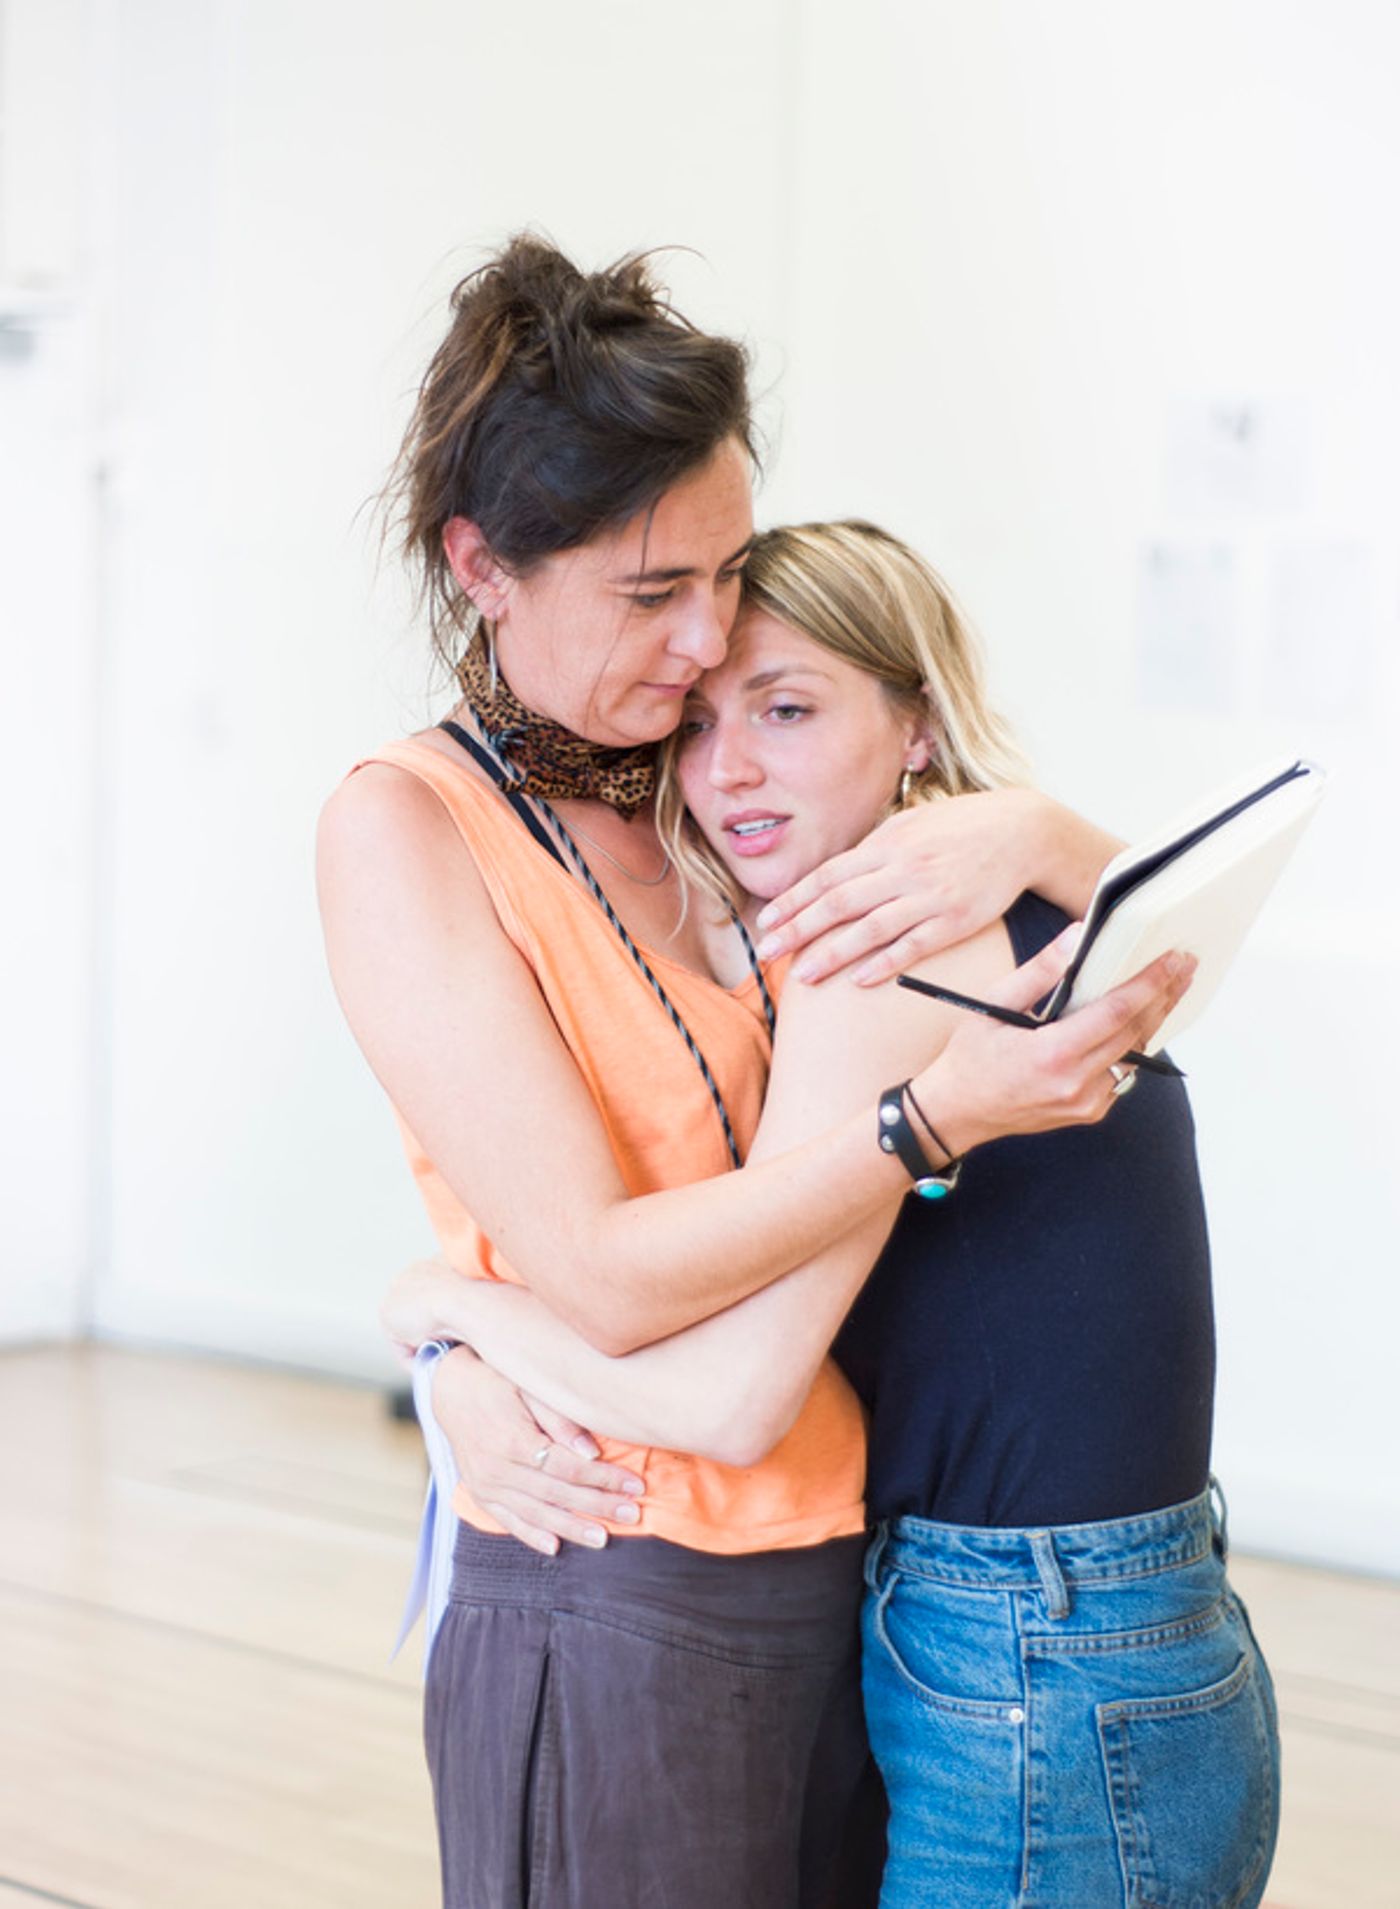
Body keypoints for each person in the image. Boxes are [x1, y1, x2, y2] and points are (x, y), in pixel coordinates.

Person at [318, 235, 1190, 1909]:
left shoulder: (701, 806)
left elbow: (1142, 967)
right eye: (657, 596)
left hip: (834, 1575)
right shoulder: (405, 826)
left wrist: (1038, 826)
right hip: (612, 1568)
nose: (703, 643)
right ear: (483, 566)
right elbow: (593, 1268)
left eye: (725, 577)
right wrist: (447, 1328)